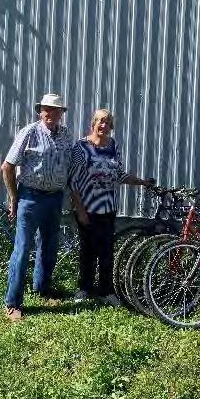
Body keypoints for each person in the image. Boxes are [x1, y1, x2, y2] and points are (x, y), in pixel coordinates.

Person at [69, 108, 153, 306]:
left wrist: (142, 182)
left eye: (107, 122)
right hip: (87, 209)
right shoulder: (81, 147)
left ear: (111, 126)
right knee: (87, 251)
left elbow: (119, 174)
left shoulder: (113, 145)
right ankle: (84, 289)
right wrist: (80, 210)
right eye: (100, 121)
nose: (103, 125)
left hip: (108, 209)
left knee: (107, 252)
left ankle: (106, 291)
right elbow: (72, 181)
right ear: (93, 123)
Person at [1, 93, 72, 322]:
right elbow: (7, 167)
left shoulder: (65, 134)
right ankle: (13, 304)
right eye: (45, 109)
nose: (49, 113)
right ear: (40, 111)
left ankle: (42, 289)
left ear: (61, 113)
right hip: (30, 198)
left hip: (54, 198)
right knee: (22, 249)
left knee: (49, 246)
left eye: (54, 109)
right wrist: (14, 198)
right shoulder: (29, 132)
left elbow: (68, 164)